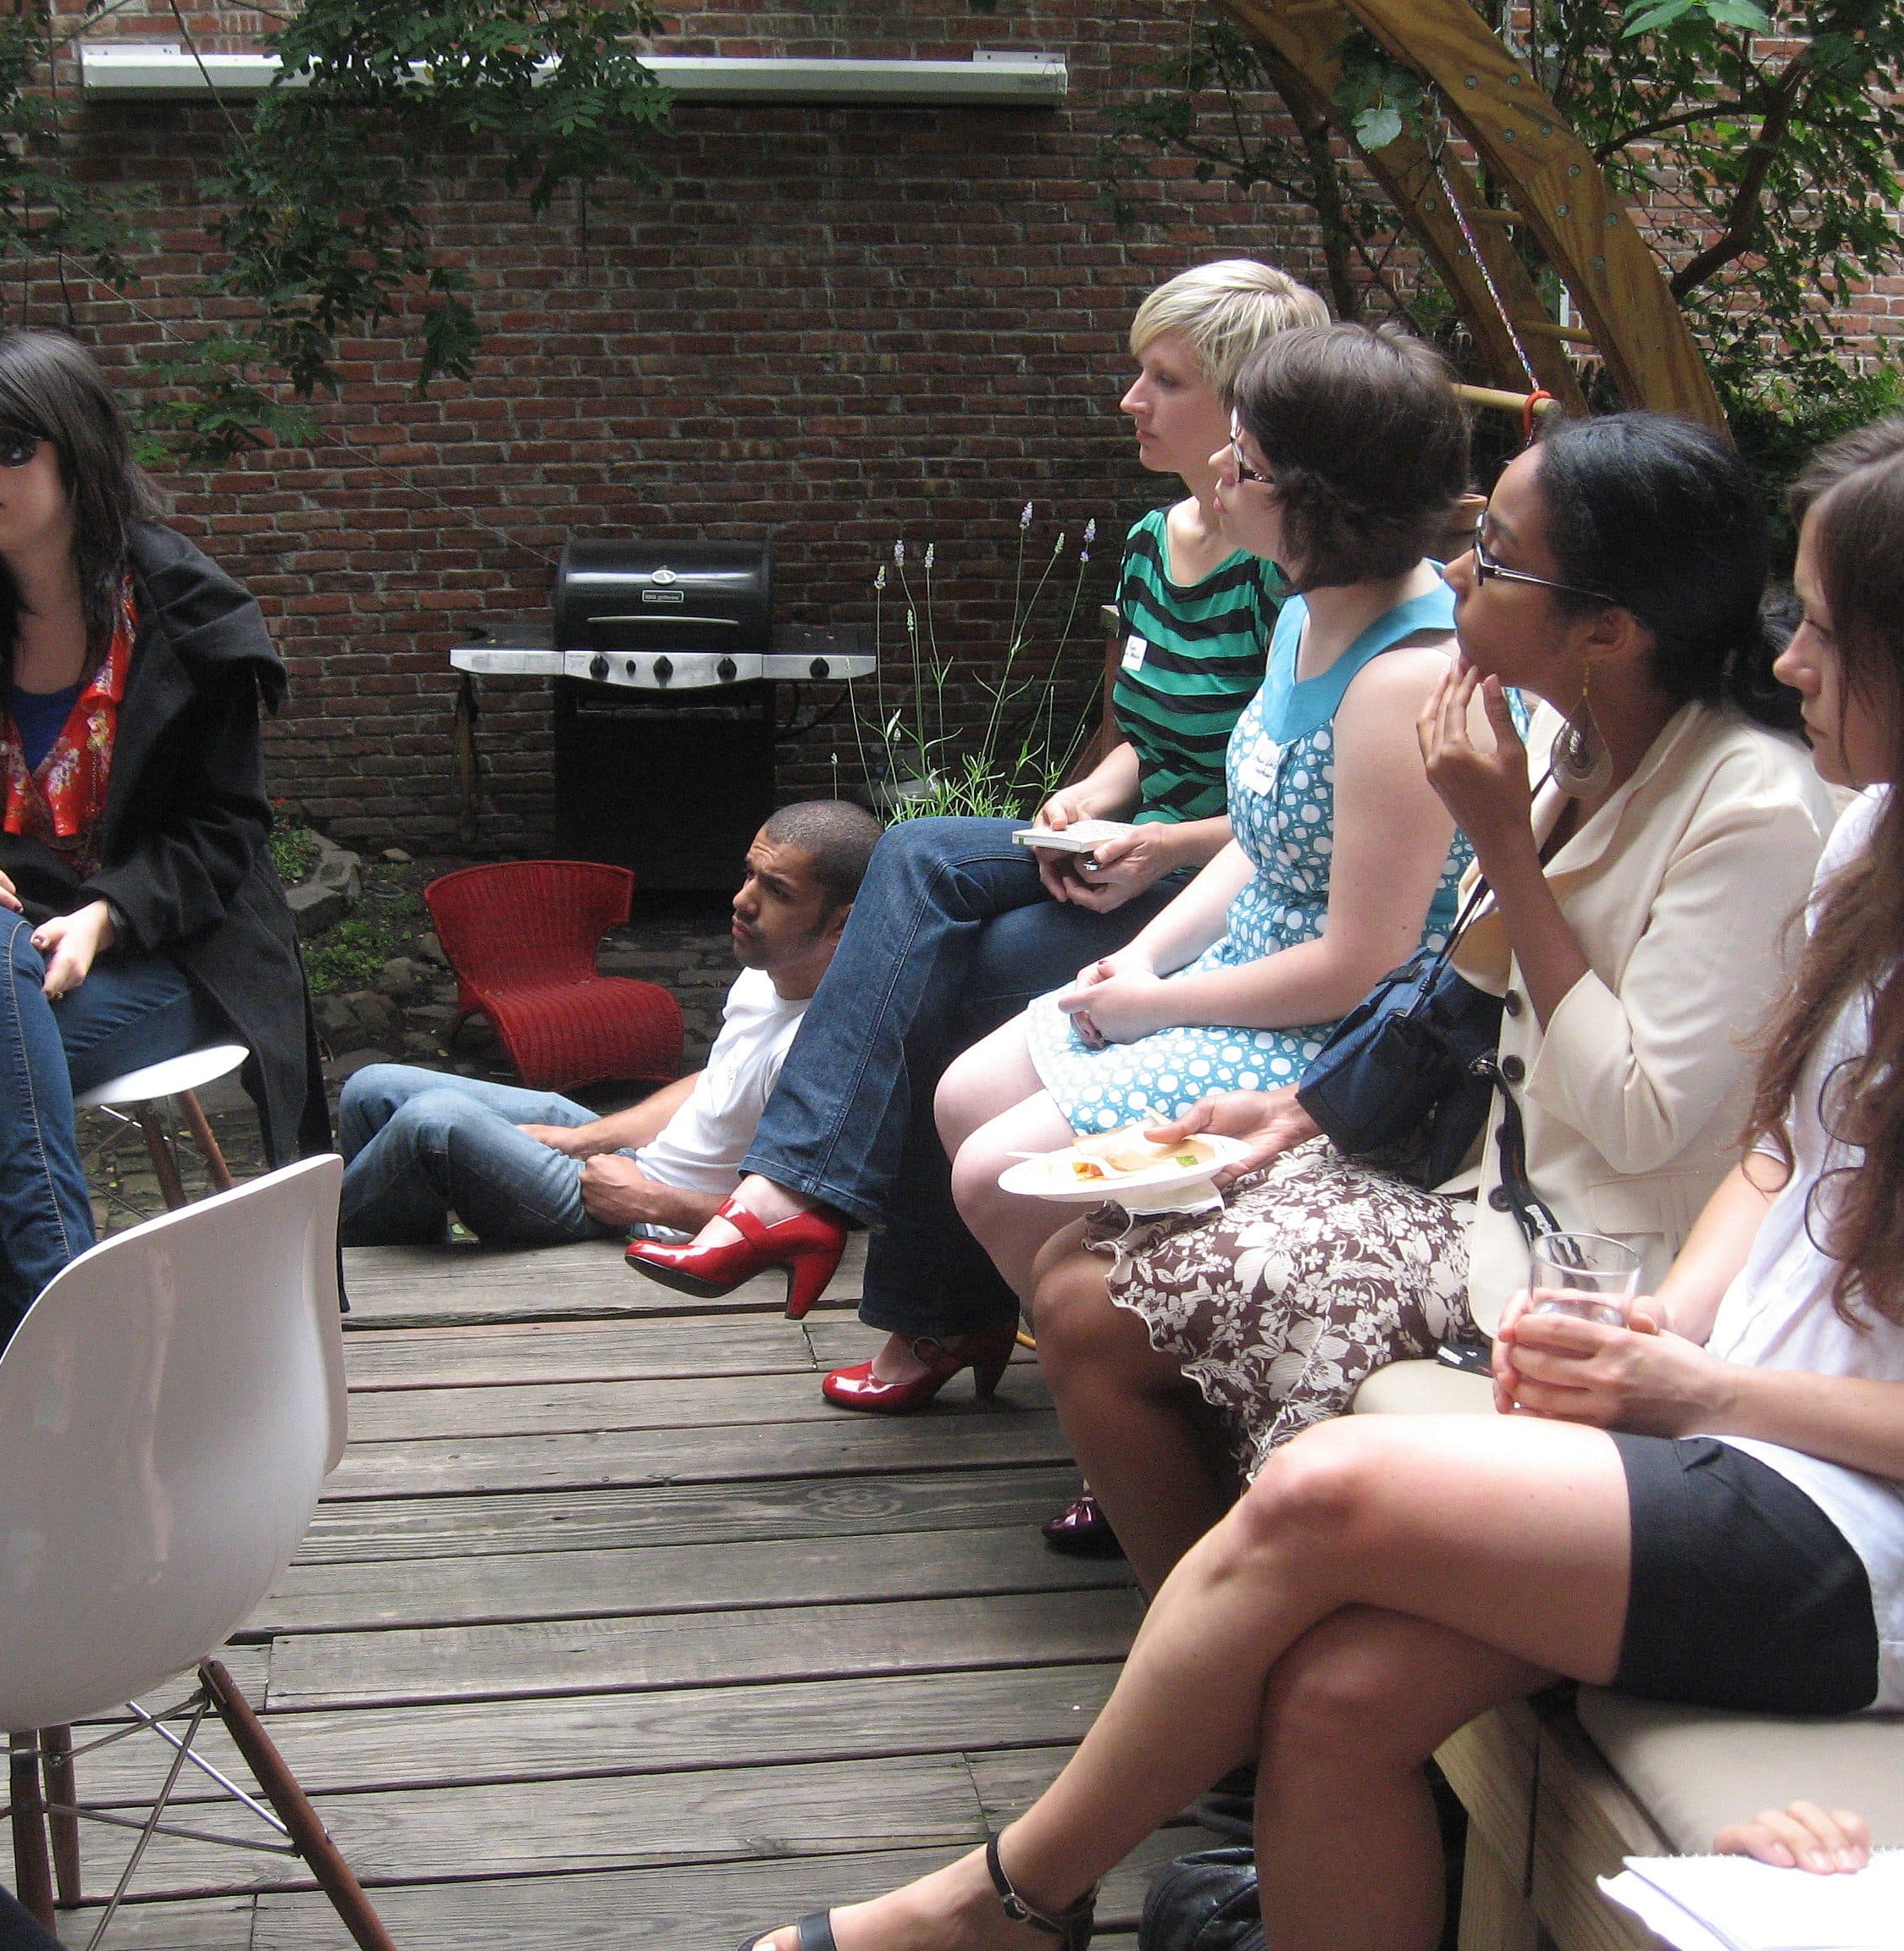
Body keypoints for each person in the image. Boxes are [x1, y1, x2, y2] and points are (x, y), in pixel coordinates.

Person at [731, 421, 1904, 1951]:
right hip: (1671, 1349)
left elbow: (1643, 1114)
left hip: (1837, 1513)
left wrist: (1691, 1386)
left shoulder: (1762, 804)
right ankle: (1143, 1801)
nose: (1786, 653)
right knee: (1337, 1693)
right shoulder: (1866, 835)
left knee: (1321, 1486)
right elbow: (1774, 1138)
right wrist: (1662, 1329)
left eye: (1818, 626)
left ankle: (1009, 1893)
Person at [1021, 410, 1844, 1594]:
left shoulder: (1749, 805)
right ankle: (1219, 1647)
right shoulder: (1578, 734)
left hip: (1583, 1245)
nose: (1460, 571)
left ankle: (1223, 1666)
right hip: (1472, 1172)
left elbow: (1643, 1116)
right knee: (1070, 1261)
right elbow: (1454, 991)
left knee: (1092, 1311)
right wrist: (1297, 1111)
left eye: (1499, 556)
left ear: (1606, 629)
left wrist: (1504, 842)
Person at [627, 260, 1329, 1407]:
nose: (1130, 401)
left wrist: (1155, 845)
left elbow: (1274, 800)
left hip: (1204, 890)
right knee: (915, 853)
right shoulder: (1157, 543)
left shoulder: (1284, 579)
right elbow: (1149, 732)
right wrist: (1095, 796)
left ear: (1244, 405)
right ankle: (802, 1203)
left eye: (1163, 378)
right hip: (1116, 856)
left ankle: (915, 1305)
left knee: (973, 967)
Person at [937, 323, 1486, 1329]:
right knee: (966, 1093)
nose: (1221, 473)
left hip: (1330, 1034)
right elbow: (1263, 838)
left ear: (1322, 498)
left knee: (993, 1168)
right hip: (1243, 970)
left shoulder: (1400, 679)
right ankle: (1103, 1377)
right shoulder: (1303, 610)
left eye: (1250, 460)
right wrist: (1134, 966)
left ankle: (1138, 1396)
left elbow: (1366, 963)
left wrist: (1161, 1008)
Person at [0, 329, 324, 1434]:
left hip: (168, 956)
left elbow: (226, 834)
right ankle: (69, 1367)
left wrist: (109, 916)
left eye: (6, 446)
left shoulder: (183, 616)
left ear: (76, 457)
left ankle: (6, 1394)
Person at [337, 800, 880, 1286]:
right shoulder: (770, 970)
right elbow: (715, 1083)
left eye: (776, 891)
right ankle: (394, 1269)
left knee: (434, 1124)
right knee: (372, 1088)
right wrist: (587, 1137)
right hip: (633, 1158)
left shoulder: (828, 1053)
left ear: (841, 924)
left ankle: (311, 1272)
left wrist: (646, 1199)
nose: (742, 901)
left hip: (640, 1211)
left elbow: (812, 1221)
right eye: (749, 875)